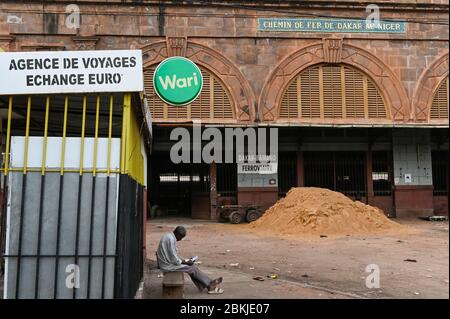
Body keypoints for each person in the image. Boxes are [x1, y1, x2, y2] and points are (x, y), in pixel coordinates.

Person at [156, 225, 224, 294]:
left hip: (167, 262)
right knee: (192, 269)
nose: (180, 239)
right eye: (180, 237)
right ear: (177, 234)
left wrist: (185, 261)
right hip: (167, 266)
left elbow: (173, 256)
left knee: (192, 269)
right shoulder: (170, 239)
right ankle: (210, 285)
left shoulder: (169, 236)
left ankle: (209, 285)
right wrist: (185, 262)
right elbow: (174, 259)